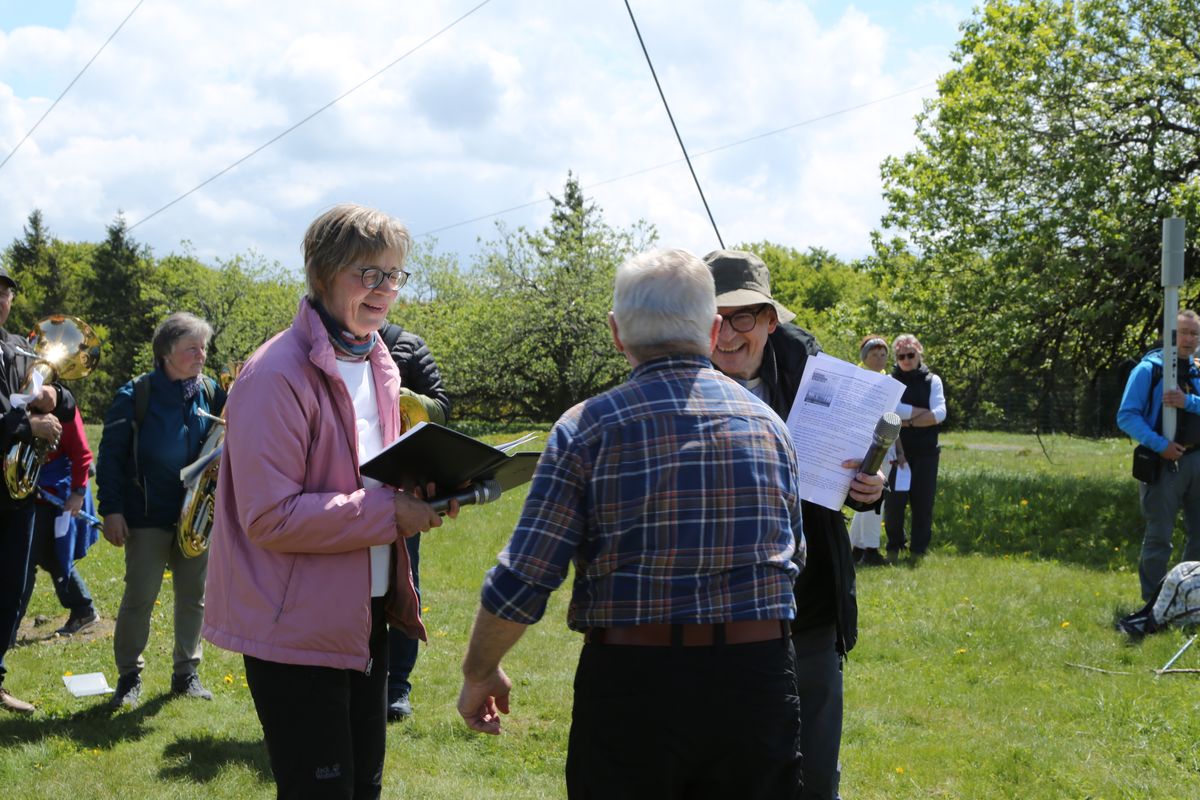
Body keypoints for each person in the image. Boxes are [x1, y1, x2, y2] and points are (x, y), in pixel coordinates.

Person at [460, 247, 815, 799]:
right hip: (759, 679)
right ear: (713, 326)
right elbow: (795, 557)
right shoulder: (770, 427)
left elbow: (526, 576)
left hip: (633, 682)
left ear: (616, 332)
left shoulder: (587, 428)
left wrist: (479, 670)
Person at [203, 203, 452, 799]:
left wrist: (429, 488)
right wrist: (392, 514)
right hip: (294, 626)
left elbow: (371, 478)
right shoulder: (275, 374)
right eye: (369, 274)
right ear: (322, 272)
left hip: (364, 615)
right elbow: (269, 516)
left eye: (395, 275)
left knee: (363, 787)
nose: (385, 290)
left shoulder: (381, 366)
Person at [703, 249, 884, 800]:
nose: (727, 334)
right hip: (713, 615)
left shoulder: (816, 378)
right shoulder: (675, 382)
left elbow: (847, 485)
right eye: (715, 318)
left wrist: (866, 491)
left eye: (744, 317)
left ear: (770, 320)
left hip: (807, 608)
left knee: (813, 772)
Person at [98, 312, 227, 709]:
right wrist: (112, 510)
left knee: (194, 596)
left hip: (198, 517)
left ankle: (186, 674)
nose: (201, 355)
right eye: (192, 348)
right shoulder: (135, 394)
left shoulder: (210, 390)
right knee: (140, 596)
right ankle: (128, 678)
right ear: (167, 352)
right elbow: (111, 457)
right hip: (147, 515)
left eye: (203, 347)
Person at [0, 266, 72, 714]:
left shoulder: (19, 348)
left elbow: (66, 399)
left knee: (13, 586)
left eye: (6, 293)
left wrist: (54, 400)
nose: (1, 300)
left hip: (16, 489)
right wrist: (27, 423)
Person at [379, 321, 452, 722]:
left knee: (405, 582)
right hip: (348, 482)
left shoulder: (408, 345)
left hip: (401, 485)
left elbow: (442, 407)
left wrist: (402, 397)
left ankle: (397, 685)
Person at [1117, 309, 1200, 601]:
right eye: (1182, 333)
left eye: (1194, 334)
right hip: (1163, 463)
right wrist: (1159, 445)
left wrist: (1187, 402)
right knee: (1159, 538)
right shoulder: (1149, 369)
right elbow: (1126, 417)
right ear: (1168, 335)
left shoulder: (1199, 368)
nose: (1189, 340)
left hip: (1197, 461)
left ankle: (1189, 598)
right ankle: (1154, 604)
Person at [20, 406, 101, 636]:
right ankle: (83, 609)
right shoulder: (16, 407)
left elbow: (82, 454)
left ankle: (10, 625)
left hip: (60, 494)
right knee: (50, 555)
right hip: (32, 493)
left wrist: (77, 493)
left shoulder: (64, 407)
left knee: (27, 557)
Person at [883, 333, 947, 560]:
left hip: (927, 452)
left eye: (910, 355)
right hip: (897, 451)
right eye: (901, 356)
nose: (906, 360)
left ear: (919, 353)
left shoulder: (932, 380)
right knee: (894, 504)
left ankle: (919, 549)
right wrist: (920, 416)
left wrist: (906, 420)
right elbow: (890, 410)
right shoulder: (891, 381)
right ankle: (894, 545)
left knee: (923, 502)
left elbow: (940, 414)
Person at [849, 335, 896, 567]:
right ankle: (870, 548)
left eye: (883, 354)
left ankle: (856, 546)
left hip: (887, 447)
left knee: (871, 498)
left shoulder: (891, 382)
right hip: (864, 446)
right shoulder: (858, 380)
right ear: (864, 357)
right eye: (874, 354)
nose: (879, 358)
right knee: (869, 497)